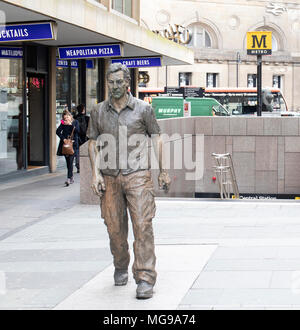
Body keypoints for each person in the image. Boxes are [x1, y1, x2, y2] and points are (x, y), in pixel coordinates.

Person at [87, 63, 171, 299]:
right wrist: (95, 173)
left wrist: (163, 170)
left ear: (127, 83)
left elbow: (157, 137)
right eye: (110, 83)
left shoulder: (143, 109)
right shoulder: (98, 112)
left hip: (138, 176)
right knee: (114, 229)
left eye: (118, 82)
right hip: (110, 177)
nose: (114, 87)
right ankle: (121, 264)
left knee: (143, 226)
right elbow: (92, 142)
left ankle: (145, 277)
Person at [56, 110, 79, 186]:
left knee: (71, 161)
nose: (66, 119)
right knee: (68, 162)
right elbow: (58, 131)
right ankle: (71, 176)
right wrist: (63, 139)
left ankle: (68, 178)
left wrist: (70, 124)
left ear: (70, 116)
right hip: (65, 145)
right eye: (64, 118)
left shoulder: (75, 122)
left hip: (73, 144)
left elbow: (78, 131)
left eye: (67, 117)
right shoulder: (63, 123)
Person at [74, 104, 90, 173]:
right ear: (83, 110)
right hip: (85, 138)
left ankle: (78, 166)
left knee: (77, 152)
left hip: (77, 137)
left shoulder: (74, 118)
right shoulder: (87, 118)